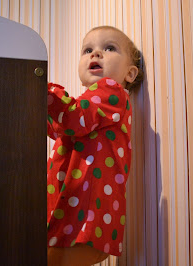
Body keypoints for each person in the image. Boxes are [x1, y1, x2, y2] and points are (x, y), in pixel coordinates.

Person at [46, 25, 143, 266]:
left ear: (130, 74)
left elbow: (69, 119)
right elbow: (62, 128)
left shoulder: (112, 92)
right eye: (87, 49)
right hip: (75, 211)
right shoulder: (89, 103)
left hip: (84, 215)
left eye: (109, 48)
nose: (95, 54)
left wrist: (41, 89)